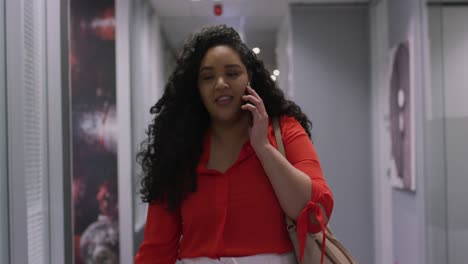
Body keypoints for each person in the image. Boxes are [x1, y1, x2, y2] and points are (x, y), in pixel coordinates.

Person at [134, 24, 334, 264]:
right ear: (196, 88)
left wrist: (264, 149)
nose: (220, 83)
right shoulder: (178, 150)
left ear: (250, 77)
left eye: (232, 73)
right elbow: (156, 252)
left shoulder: (285, 130)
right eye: (208, 77)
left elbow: (316, 214)